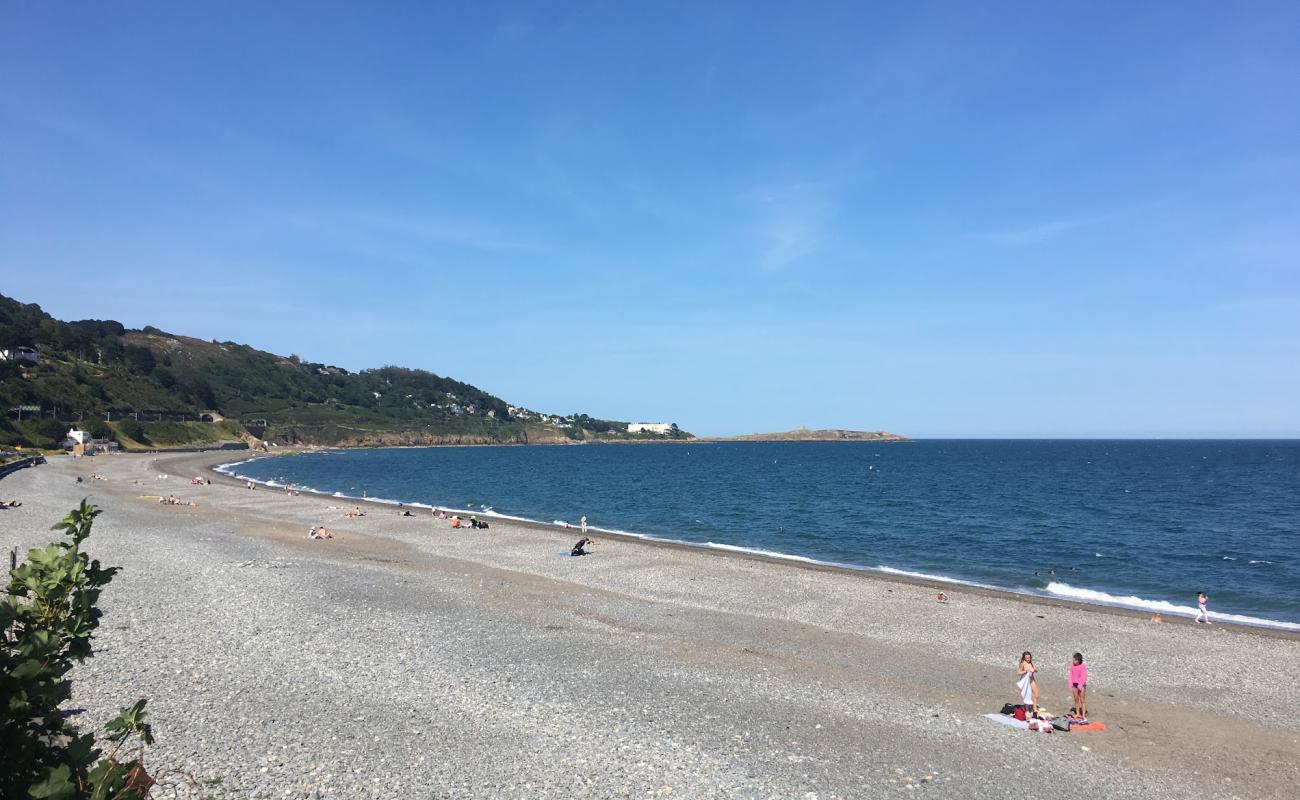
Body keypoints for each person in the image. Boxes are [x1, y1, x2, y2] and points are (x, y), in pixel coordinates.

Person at [1069, 652, 1088, 718]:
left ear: (1078, 660)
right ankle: (1077, 713)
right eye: (1073, 659)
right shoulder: (1072, 666)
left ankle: (1083, 715)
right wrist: (1070, 685)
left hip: (1081, 685)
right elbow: (1071, 676)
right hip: (1074, 685)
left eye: (1074, 660)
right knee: (1076, 699)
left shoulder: (1082, 666)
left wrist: (1080, 685)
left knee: (1082, 700)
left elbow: (1084, 677)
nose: (1073, 661)